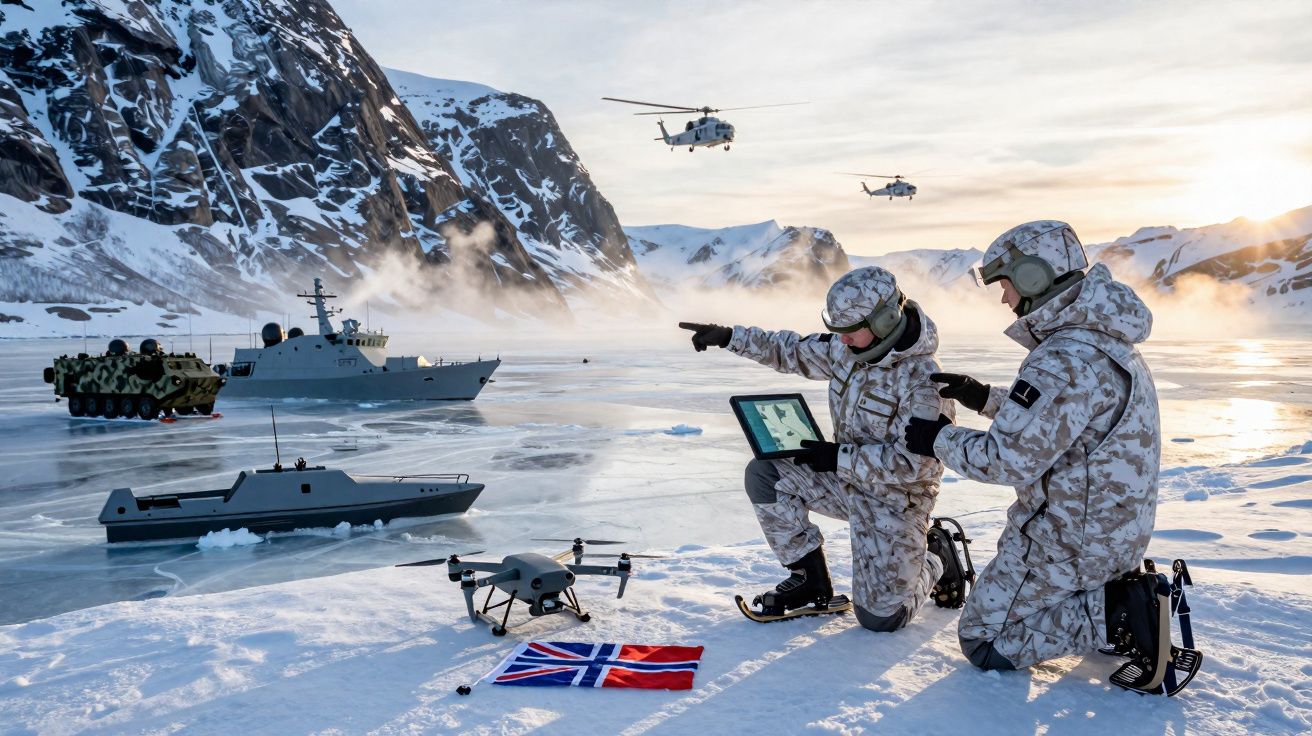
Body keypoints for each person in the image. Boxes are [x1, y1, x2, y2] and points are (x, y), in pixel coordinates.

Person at [902, 220, 1182, 693]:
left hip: (1066, 542)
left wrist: (937, 439)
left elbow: (1005, 460)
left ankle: (1118, 612)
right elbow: (1064, 419)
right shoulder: (1103, 340)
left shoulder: (1062, 357)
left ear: (1035, 277)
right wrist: (984, 397)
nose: (1004, 299)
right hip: (1116, 536)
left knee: (983, 640)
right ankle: (1112, 594)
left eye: (1005, 285)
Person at [681, 266, 969, 631]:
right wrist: (729, 337)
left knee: (881, 618)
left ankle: (934, 556)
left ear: (884, 320)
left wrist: (837, 457)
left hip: (895, 501)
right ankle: (809, 578)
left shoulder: (924, 382)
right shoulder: (848, 350)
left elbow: (918, 466)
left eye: (850, 332)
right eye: (839, 332)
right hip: (845, 482)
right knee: (766, 473)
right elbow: (791, 350)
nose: (842, 341)